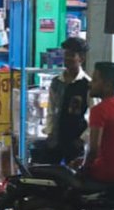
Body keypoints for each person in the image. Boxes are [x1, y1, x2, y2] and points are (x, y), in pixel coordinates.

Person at [28, 37, 92, 167]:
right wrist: (50, 132)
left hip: (75, 140)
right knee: (50, 172)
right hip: (56, 138)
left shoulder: (87, 84)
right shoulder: (56, 82)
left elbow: (94, 115)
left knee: (73, 173)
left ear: (81, 58)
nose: (67, 58)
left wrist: (83, 139)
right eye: (66, 54)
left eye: (71, 55)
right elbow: (51, 110)